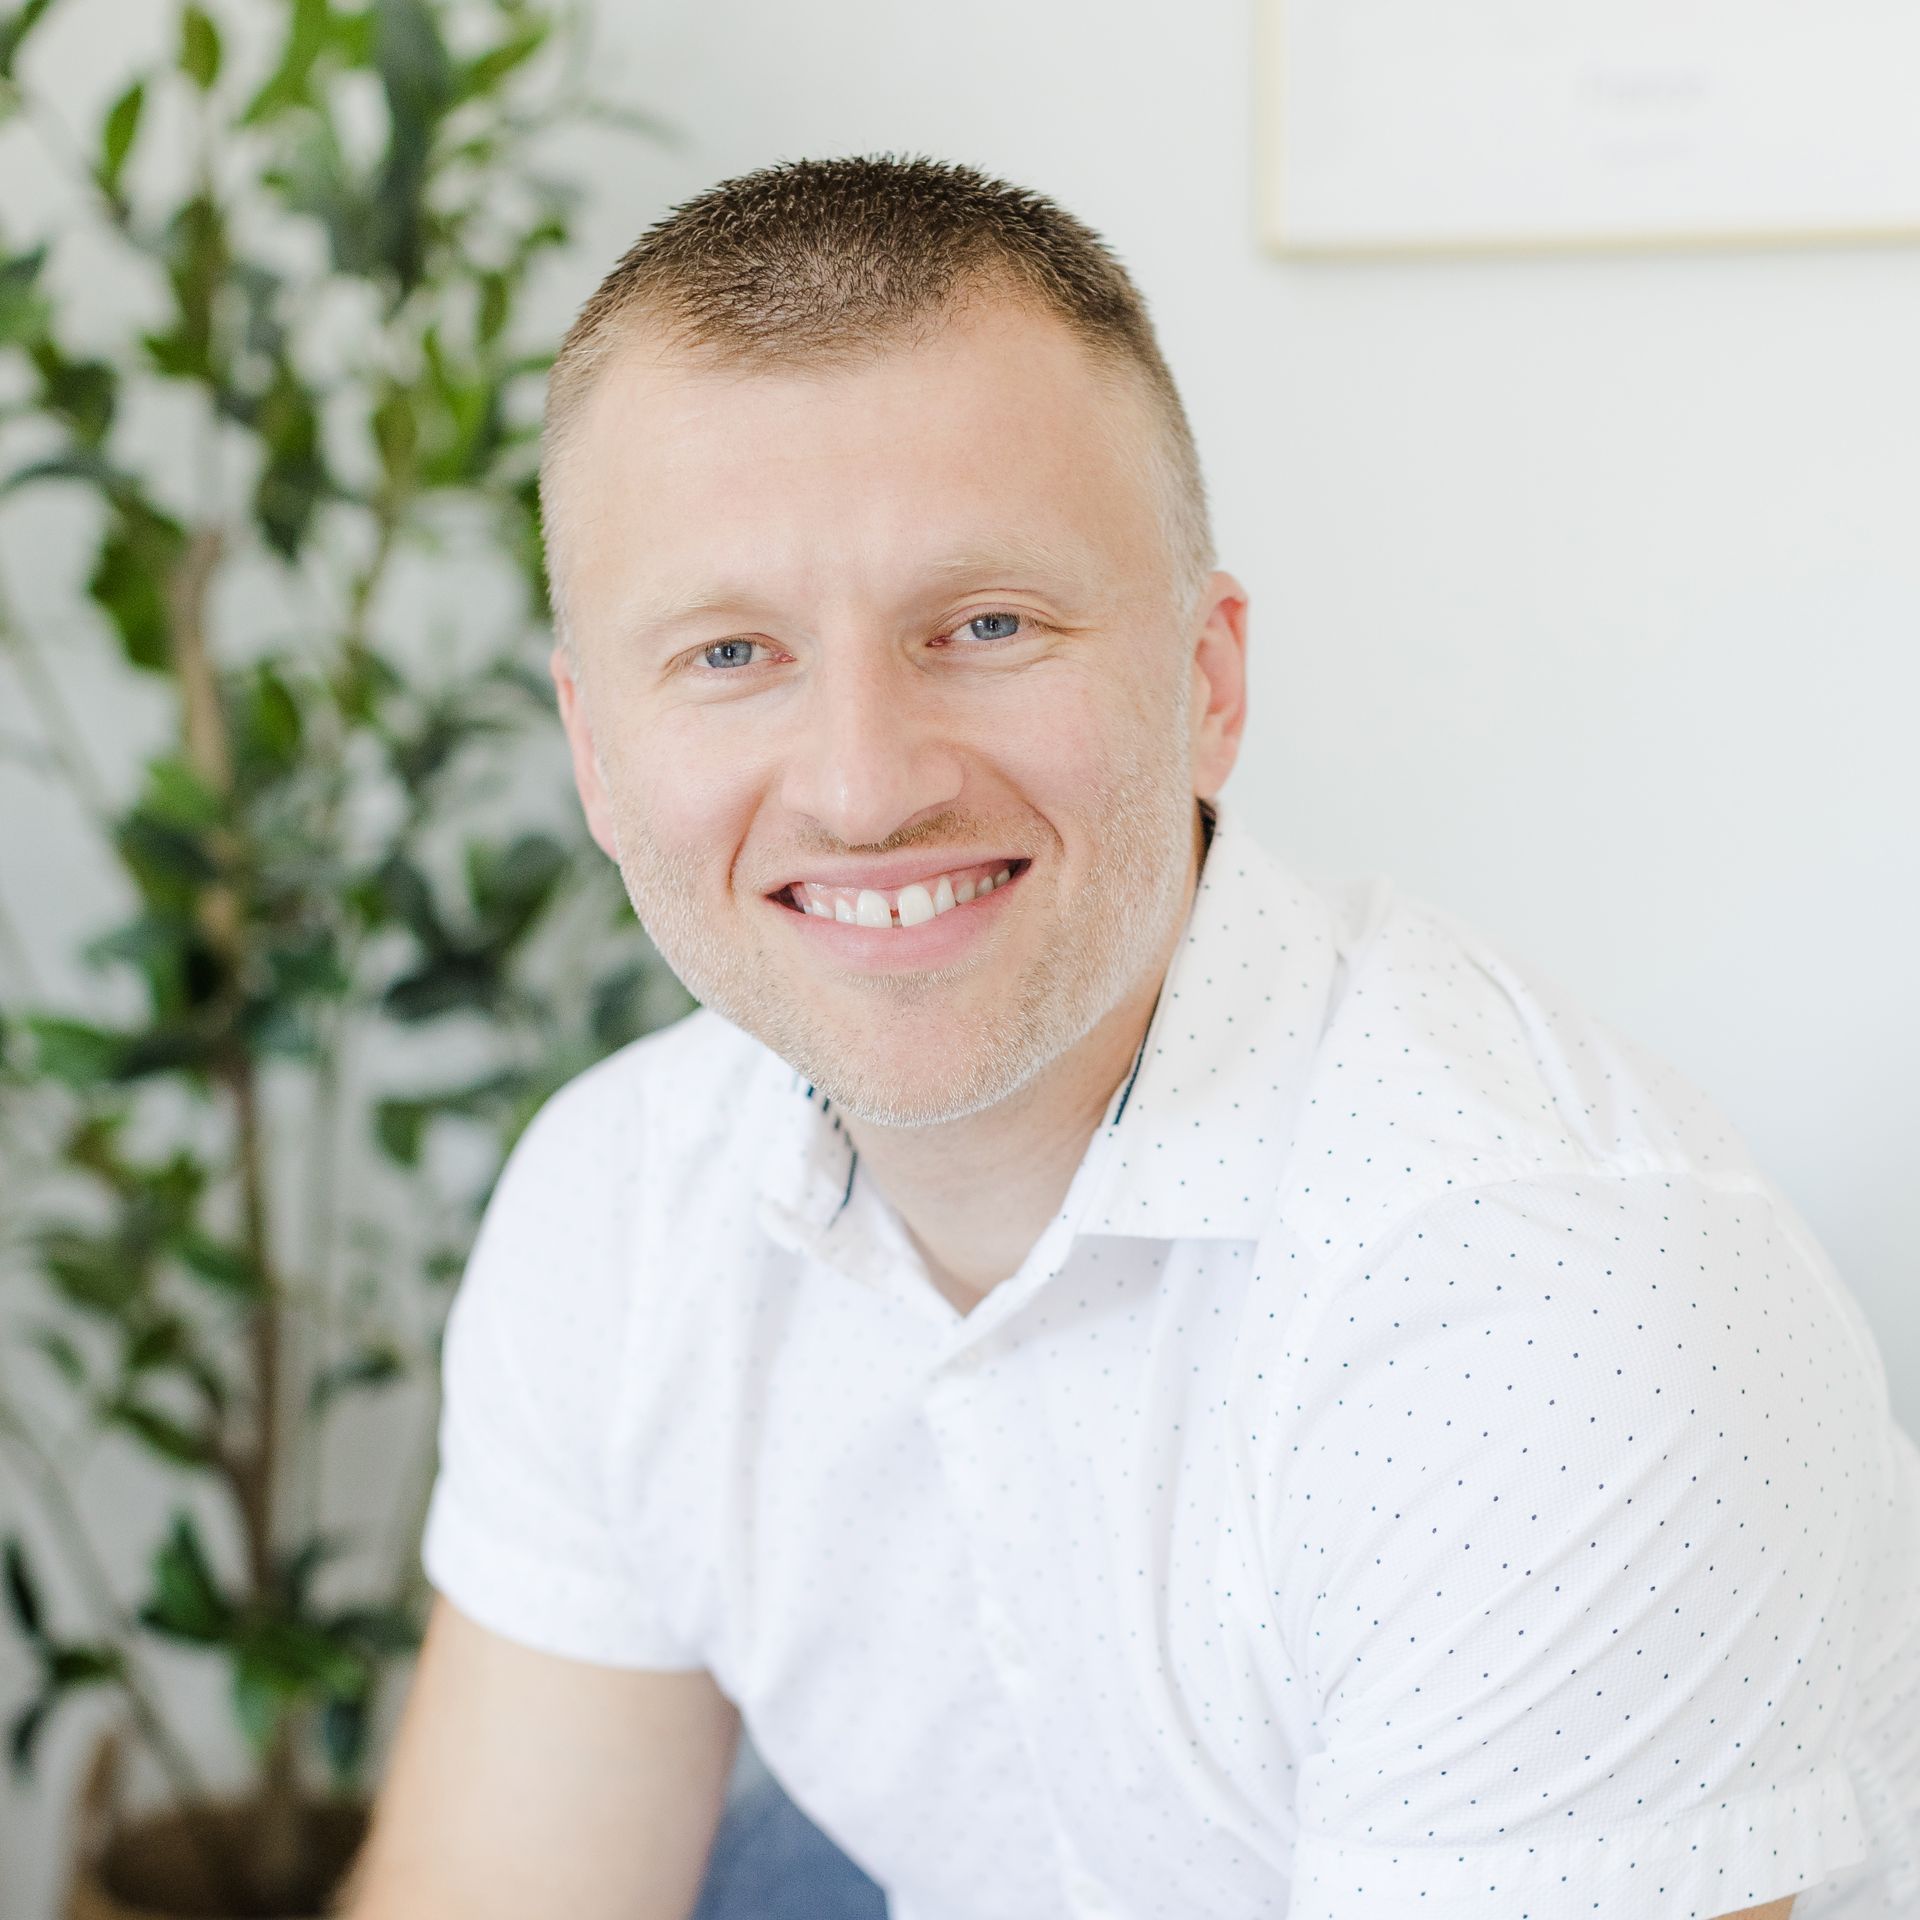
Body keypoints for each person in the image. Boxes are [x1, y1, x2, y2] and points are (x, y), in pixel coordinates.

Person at [333, 155, 1920, 1920]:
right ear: (594, 756)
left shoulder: (1551, 1315)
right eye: (729, 655)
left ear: (1208, 683)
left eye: (987, 625)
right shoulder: (619, 1203)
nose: (866, 783)